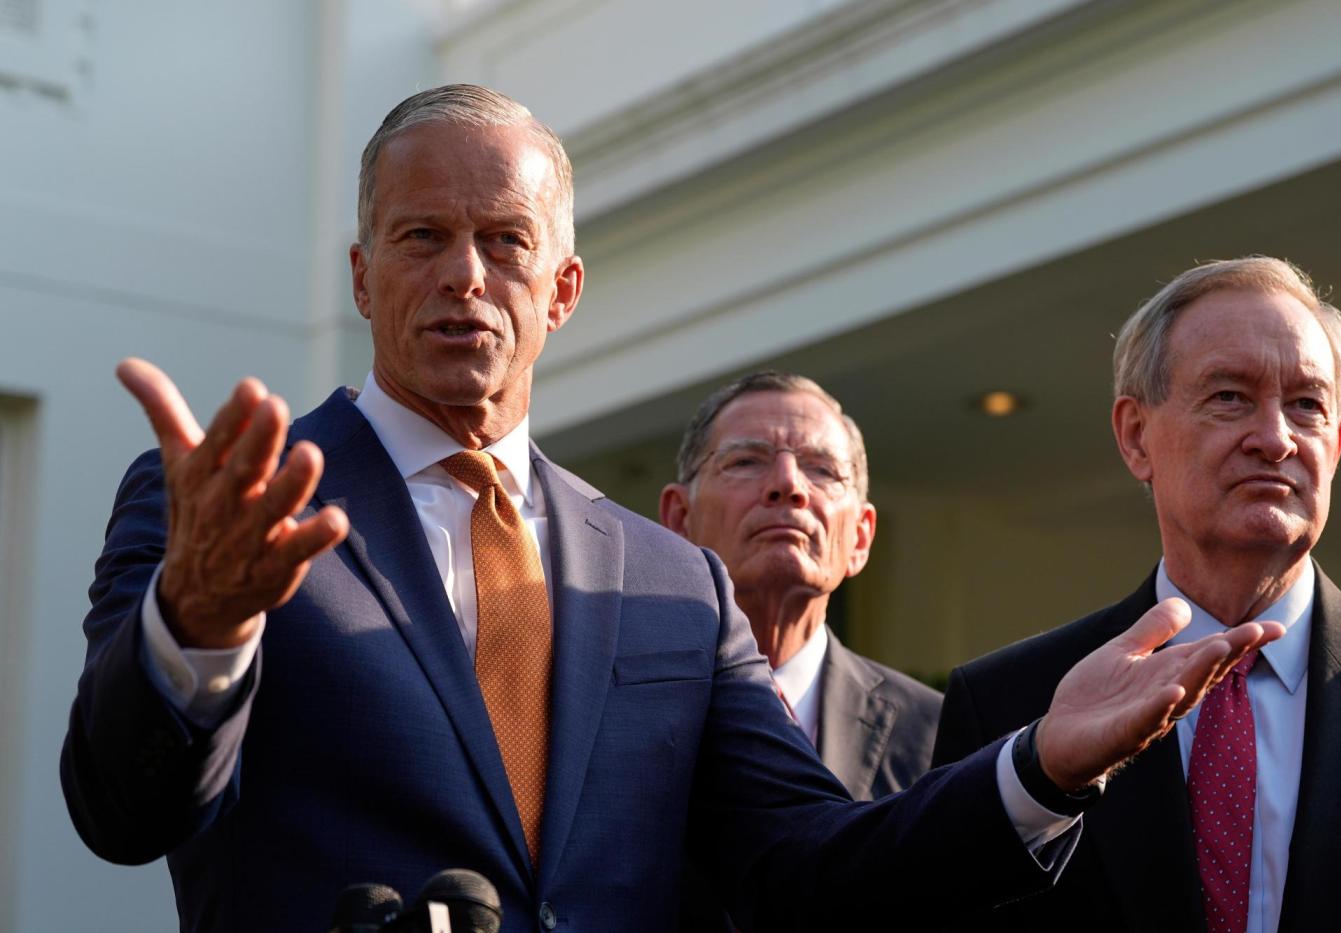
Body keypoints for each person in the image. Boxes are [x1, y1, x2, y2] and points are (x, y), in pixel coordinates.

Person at [59, 86, 1277, 933]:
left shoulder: (666, 579)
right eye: (422, 236)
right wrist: (198, 627)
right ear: (363, 275)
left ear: (561, 290)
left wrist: (1037, 769)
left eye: (504, 240)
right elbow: (120, 813)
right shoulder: (230, 513)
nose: (464, 275)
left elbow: (807, 866)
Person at [932, 257, 1341, 932]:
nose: (1275, 439)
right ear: (1135, 436)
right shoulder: (1008, 706)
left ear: (1337, 444)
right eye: (1230, 397)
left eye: (1306, 405)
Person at [661, 371, 942, 799]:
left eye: (822, 469)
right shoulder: (612, 711)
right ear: (680, 520)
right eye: (746, 461)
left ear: (860, 538)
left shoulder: (935, 734)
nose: (789, 485)